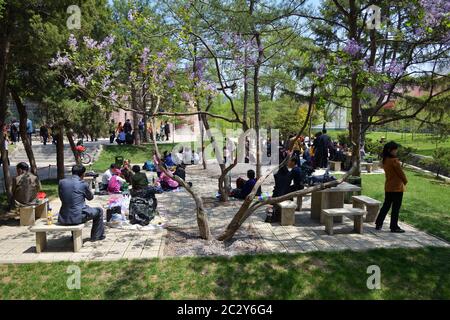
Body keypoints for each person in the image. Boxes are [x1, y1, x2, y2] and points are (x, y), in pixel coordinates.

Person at [58, 165, 105, 241]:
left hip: (63, 216)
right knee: (99, 211)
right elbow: (90, 198)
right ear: (83, 174)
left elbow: (61, 197)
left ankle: (74, 236)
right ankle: (97, 236)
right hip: (77, 217)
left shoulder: (62, 182)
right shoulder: (83, 184)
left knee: (73, 208)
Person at [375, 142, 408, 233]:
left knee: (386, 205)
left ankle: (379, 223)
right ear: (390, 150)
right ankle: (394, 227)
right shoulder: (394, 161)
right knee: (396, 208)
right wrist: (405, 181)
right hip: (397, 188)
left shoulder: (385, 160)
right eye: (395, 149)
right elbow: (401, 173)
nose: (396, 151)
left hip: (389, 186)